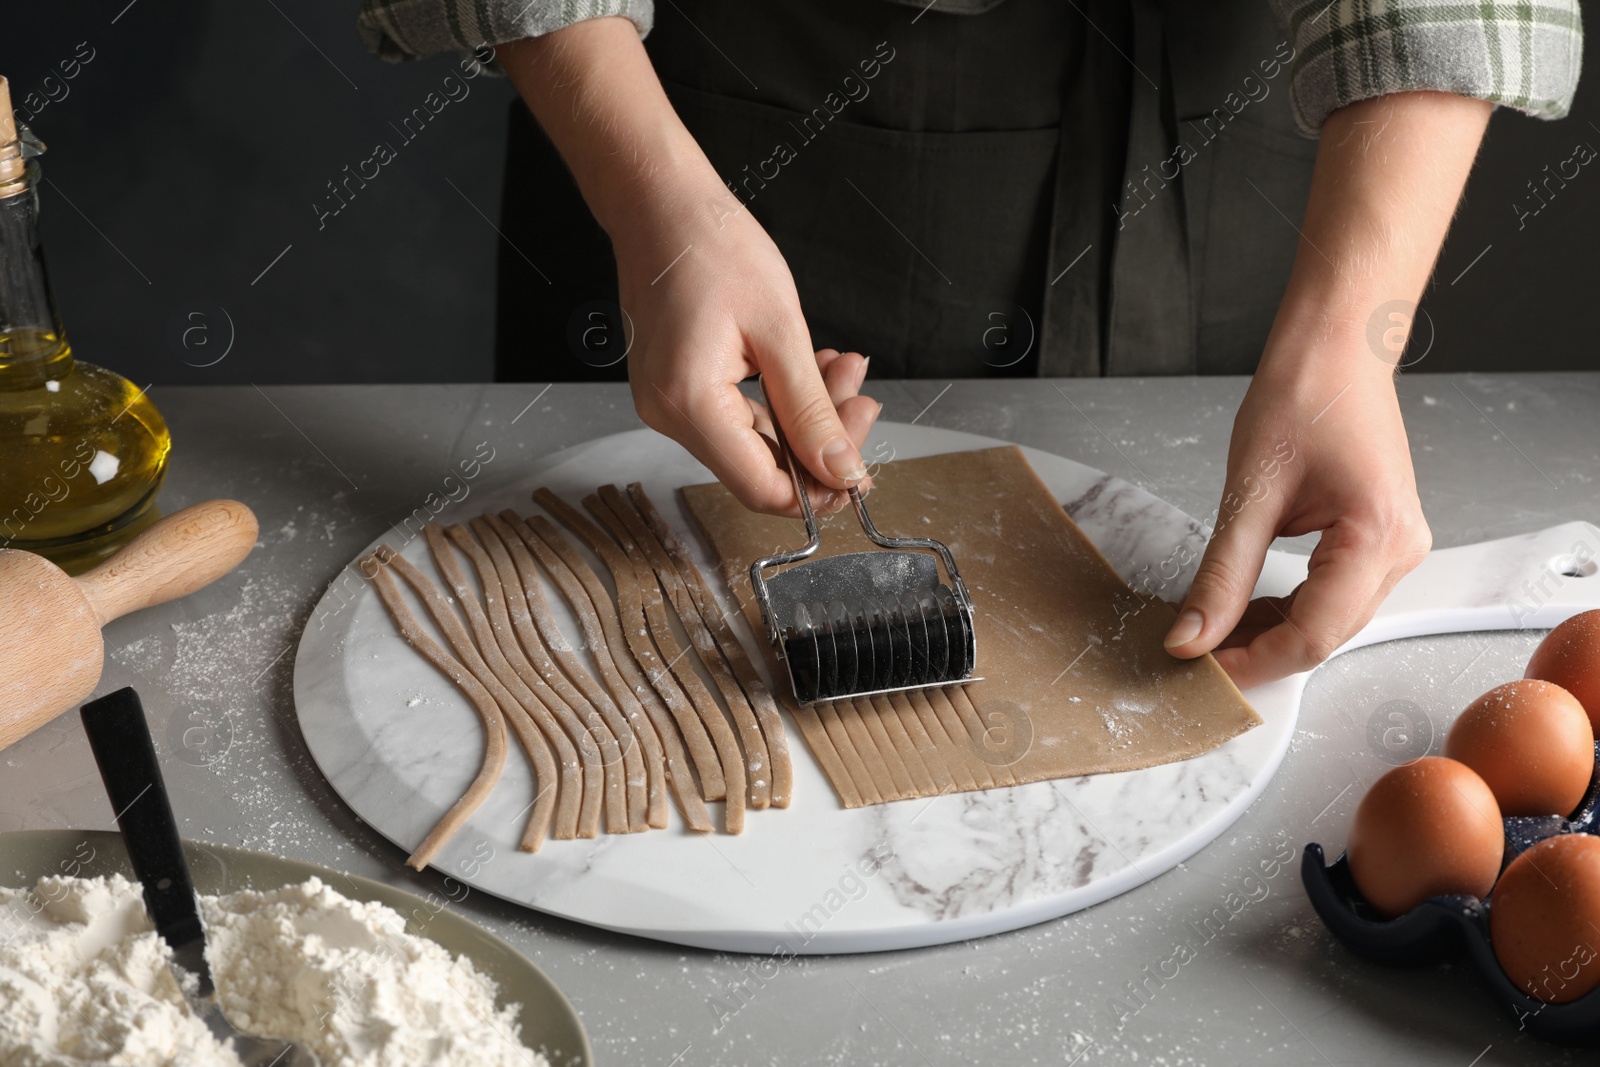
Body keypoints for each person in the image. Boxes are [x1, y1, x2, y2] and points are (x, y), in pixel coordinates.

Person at [358, 0, 1582, 689]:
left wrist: (1353, 336)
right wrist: (653, 198)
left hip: (1261, 137)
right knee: (628, 587)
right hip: (721, 113)